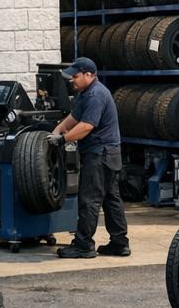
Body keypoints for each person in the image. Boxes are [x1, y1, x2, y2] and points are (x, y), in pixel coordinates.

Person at [51, 57, 130, 260]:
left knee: (89, 200)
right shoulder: (85, 93)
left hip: (100, 154)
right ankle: (119, 243)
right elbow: (74, 118)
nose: (72, 80)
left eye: (76, 76)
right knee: (111, 199)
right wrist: (57, 131)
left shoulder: (95, 95)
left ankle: (84, 245)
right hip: (109, 153)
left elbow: (86, 126)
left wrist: (63, 140)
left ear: (89, 74)